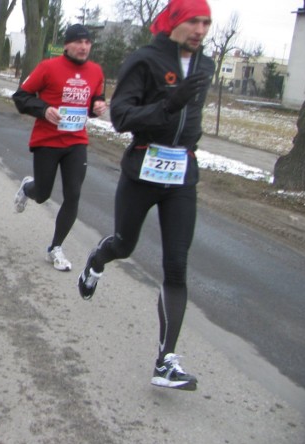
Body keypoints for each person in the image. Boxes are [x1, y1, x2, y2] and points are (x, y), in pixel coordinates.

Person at [77, 0, 214, 391]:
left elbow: (195, 117)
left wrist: (189, 140)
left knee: (176, 265)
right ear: (174, 21)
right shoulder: (145, 59)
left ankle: (165, 361)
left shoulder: (206, 64)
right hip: (143, 168)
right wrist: (171, 102)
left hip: (182, 175)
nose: (201, 30)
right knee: (124, 243)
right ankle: (97, 260)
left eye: (206, 23)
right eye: (194, 22)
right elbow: (121, 117)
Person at [12, 24, 107, 271]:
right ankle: (27, 187)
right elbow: (21, 98)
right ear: (66, 45)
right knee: (42, 194)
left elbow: (95, 99)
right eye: (78, 42)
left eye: (87, 42)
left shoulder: (96, 71)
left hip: (76, 142)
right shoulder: (48, 67)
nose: (84, 47)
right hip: (47, 141)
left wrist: (97, 107)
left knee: (73, 194)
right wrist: (43, 110)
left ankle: (55, 247)